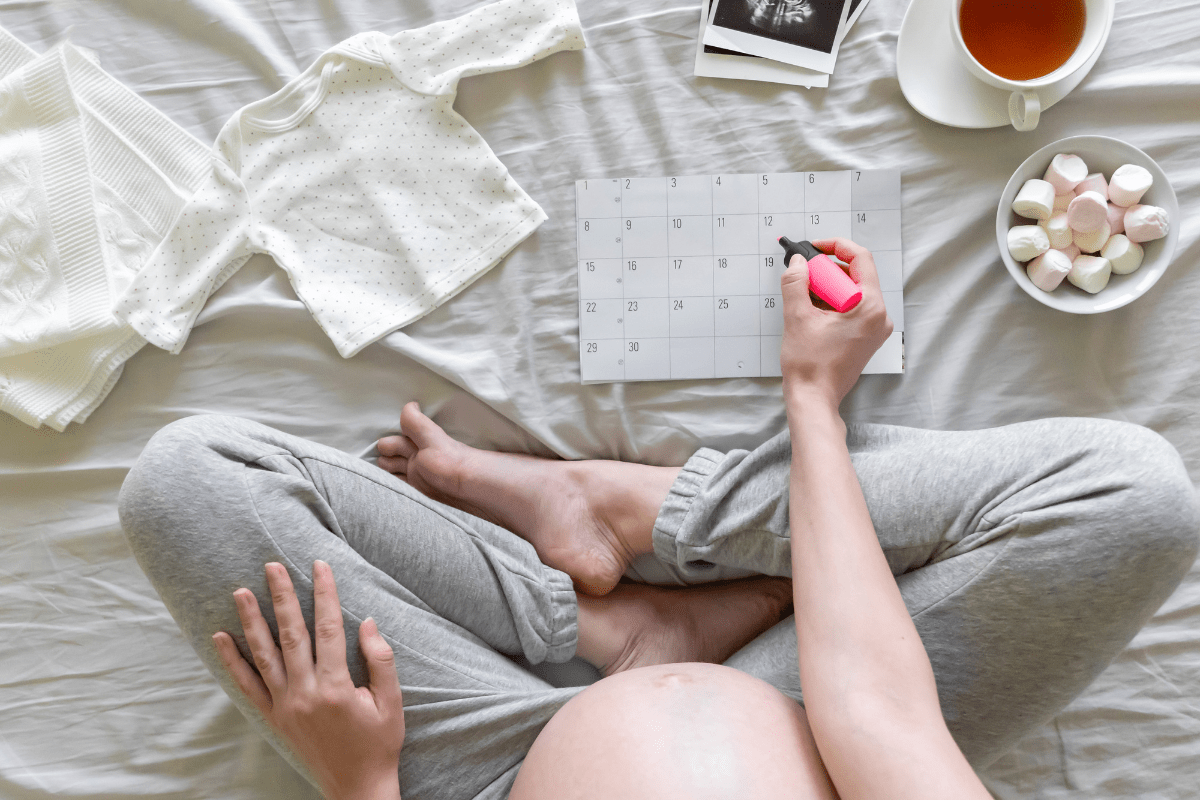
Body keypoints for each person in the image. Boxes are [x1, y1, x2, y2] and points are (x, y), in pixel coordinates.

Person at [118, 238, 1199, 800]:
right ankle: (645, 521)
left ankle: (600, 624)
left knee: (189, 479)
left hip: (495, 770)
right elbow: (878, 717)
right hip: (824, 734)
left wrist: (360, 781)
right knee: (1132, 500)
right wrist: (810, 401)